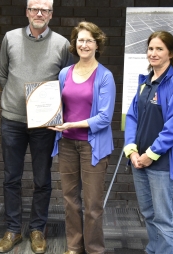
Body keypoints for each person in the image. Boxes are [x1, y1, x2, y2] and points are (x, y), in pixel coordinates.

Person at [0, 0, 73, 254]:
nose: (39, 14)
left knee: (42, 179)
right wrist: (18, 97)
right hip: (13, 120)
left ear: (51, 14)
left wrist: (46, 106)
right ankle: (12, 230)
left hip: (44, 124)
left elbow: (66, 81)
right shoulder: (10, 39)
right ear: (27, 11)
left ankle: (37, 229)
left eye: (44, 10)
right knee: (11, 178)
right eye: (34, 9)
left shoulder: (63, 44)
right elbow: (2, 73)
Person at [123, 31, 173, 254]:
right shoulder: (146, 83)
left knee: (164, 218)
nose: (153, 53)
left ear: (171, 53)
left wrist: (151, 154)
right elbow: (132, 117)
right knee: (149, 214)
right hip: (139, 160)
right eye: (150, 48)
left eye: (159, 49)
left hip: (162, 163)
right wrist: (131, 150)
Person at [49, 22, 116, 254]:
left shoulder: (105, 76)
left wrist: (72, 124)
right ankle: (74, 247)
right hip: (66, 144)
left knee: (93, 204)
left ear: (97, 44)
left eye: (89, 40)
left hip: (92, 146)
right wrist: (51, 118)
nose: (84, 45)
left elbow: (105, 118)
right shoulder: (64, 73)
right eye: (80, 40)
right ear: (74, 44)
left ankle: (95, 249)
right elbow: (56, 106)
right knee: (70, 201)